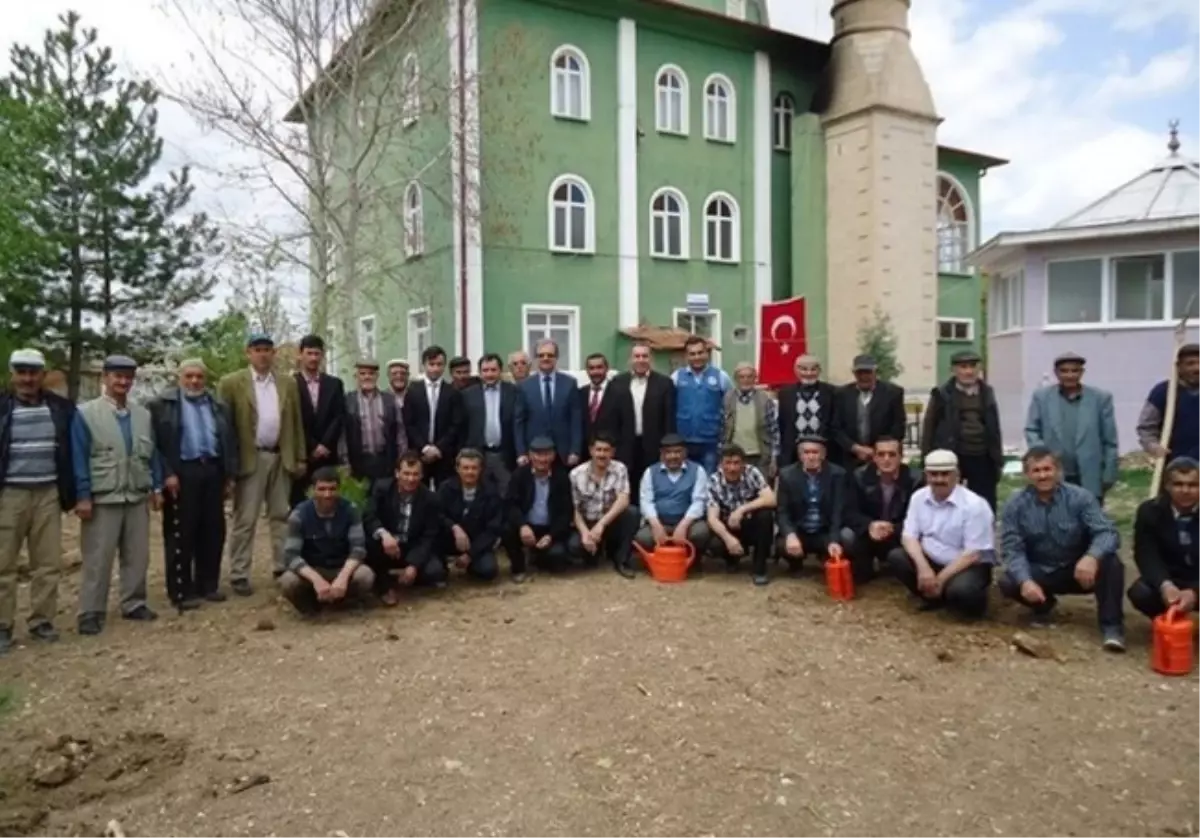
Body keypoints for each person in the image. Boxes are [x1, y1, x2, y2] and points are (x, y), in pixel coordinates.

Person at [998, 447, 1125, 650]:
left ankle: (1112, 628)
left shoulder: (1081, 497)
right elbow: (1012, 548)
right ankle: (1043, 605)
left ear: (1057, 471)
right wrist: (1026, 581)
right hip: (1042, 569)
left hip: (1078, 570)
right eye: (1036, 471)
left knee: (1112, 563)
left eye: (1047, 469)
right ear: (1027, 475)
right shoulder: (1015, 504)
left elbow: (1108, 532)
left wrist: (1092, 557)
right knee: (1008, 580)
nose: (1042, 475)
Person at [72, 356, 164, 635]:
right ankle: (91, 610)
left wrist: (156, 486)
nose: (123, 382)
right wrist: (83, 495)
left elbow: (153, 454)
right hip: (103, 496)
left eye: (128, 377)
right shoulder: (85, 414)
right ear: (105, 378)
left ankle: (134, 602)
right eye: (117, 376)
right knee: (98, 556)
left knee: (138, 555)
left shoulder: (142, 415)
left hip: (135, 494)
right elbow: (79, 457)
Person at [218, 332, 307, 596]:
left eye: (267, 349)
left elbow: (296, 422)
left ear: (274, 353)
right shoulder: (232, 383)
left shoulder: (287, 384)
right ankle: (239, 573)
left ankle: (282, 566)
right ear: (248, 353)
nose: (263, 354)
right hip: (250, 457)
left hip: (281, 456)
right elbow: (224, 427)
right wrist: (229, 466)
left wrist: (299, 455)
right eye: (257, 349)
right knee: (245, 518)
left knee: (281, 515)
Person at [0, 349, 76, 652]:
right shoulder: (2, 407)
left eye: (33, 372)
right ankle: (3, 626)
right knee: (3, 563)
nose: (27, 379)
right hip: (10, 493)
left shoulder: (61, 408)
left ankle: (41, 620)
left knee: (47, 563)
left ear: (43, 375)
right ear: (12, 375)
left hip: (48, 492)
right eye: (21, 372)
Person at [148, 359, 238, 609]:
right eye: (189, 376)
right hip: (180, 473)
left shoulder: (218, 405)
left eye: (199, 376)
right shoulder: (162, 405)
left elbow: (229, 440)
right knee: (181, 532)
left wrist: (229, 475)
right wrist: (165, 473)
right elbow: (154, 444)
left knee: (213, 530)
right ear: (180, 377)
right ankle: (181, 590)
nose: (194, 381)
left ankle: (207, 584)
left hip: (212, 469)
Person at [893, 449, 995, 618]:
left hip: (965, 566)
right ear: (926, 475)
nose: (939, 479)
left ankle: (961, 600)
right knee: (897, 557)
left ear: (957, 475)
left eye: (945, 474)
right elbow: (908, 536)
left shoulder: (975, 505)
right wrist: (923, 569)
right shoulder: (918, 497)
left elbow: (973, 554)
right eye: (934, 474)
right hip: (931, 560)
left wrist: (940, 580)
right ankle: (932, 597)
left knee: (962, 591)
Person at [278, 467, 373, 615]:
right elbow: (291, 555)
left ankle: (341, 602)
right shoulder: (299, 515)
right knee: (288, 581)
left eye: (332, 489)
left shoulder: (351, 510)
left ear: (339, 490)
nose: (327, 494)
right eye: (321, 489)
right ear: (313, 490)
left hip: (340, 567)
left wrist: (342, 577)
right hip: (312, 568)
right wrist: (316, 579)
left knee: (365, 576)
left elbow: (358, 550)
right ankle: (311, 606)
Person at [1024, 351, 1118, 501]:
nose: (1069, 375)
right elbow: (1032, 429)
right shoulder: (1042, 398)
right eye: (1064, 371)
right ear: (1056, 373)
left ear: (1082, 372)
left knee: (1089, 520)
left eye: (1074, 371)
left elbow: (1110, 440)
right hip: (1054, 475)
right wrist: (1043, 457)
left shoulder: (1100, 399)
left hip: (1090, 475)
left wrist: (1109, 473)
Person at [920, 349, 1003, 511]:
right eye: (963, 367)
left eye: (972, 366)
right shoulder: (942, 394)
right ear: (954, 370)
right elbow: (929, 428)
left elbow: (995, 427)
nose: (968, 371)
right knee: (950, 501)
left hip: (982, 456)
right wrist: (926, 459)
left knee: (984, 503)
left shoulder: (987, 392)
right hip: (953, 454)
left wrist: (997, 458)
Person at [364, 453, 444, 604]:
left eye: (415, 474)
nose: (411, 479)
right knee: (369, 545)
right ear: (397, 473)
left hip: (411, 545)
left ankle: (406, 576)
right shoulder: (382, 488)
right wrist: (384, 534)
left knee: (435, 571)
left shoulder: (430, 499)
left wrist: (414, 564)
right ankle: (385, 586)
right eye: (406, 473)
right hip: (387, 544)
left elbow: (429, 535)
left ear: (421, 475)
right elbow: (369, 516)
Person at [1128, 456, 1200, 619]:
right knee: (1141, 592)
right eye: (1178, 484)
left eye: (1193, 485)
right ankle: (1171, 621)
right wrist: (1164, 585)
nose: (1185, 490)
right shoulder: (1150, 511)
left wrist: (1195, 591)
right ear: (1167, 486)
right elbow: (1146, 554)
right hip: (1172, 577)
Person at [842, 437, 921, 584]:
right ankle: (865, 566)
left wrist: (894, 528)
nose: (886, 459)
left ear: (901, 457)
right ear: (874, 457)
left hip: (900, 532)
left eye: (892, 455)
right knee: (847, 535)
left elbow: (920, 518)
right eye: (881, 454)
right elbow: (849, 512)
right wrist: (870, 525)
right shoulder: (859, 476)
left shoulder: (915, 479)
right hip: (870, 532)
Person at [607, 342, 675, 496]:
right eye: (637, 356)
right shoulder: (617, 383)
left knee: (651, 485)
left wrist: (667, 447)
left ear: (651, 359)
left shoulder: (664, 383)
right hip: (625, 446)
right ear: (630, 359)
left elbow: (668, 419)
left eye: (645, 356)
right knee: (626, 487)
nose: (641, 360)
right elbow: (610, 418)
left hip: (653, 445)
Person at [568, 432, 640, 577]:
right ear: (591, 451)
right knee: (574, 546)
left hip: (608, 521)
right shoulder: (576, 474)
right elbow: (573, 509)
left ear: (613, 452)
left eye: (606, 450)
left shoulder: (620, 469)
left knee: (632, 513)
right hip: (586, 523)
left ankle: (622, 560)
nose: (602, 454)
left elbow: (623, 499)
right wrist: (585, 533)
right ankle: (593, 553)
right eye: (598, 450)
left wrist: (601, 524)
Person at [502, 435, 572, 580]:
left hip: (549, 529)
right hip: (527, 526)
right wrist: (522, 525)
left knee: (558, 559)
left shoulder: (561, 477)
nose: (542, 459)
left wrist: (552, 535)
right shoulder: (520, 475)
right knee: (506, 529)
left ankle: (538, 557)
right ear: (530, 455)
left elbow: (565, 513)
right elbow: (510, 505)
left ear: (553, 456)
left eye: (546, 454)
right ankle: (518, 567)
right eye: (538, 454)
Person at [775, 435, 848, 573]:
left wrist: (834, 539)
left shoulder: (838, 474)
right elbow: (782, 511)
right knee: (781, 544)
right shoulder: (786, 475)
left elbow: (838, 511)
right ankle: (795, 564)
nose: (811, 457)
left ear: (823, 455)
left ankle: (826, 559)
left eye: (815, 452)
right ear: (800, 455)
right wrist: (790, 534)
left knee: (846, 539)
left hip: (824, 531)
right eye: (806, 452)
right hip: (800, 530)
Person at [706, 444, 776, 585]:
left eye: (737, 463)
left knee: (766, 515)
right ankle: (731, 560)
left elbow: (771, 499)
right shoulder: (713, 481)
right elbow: (712, 518)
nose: (732, 468)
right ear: (721, 464)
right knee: (714, 543)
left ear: (744, 464)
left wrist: (741, 510)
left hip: (749, 522)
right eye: (728, 463)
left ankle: (759, 569)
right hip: (728, 526)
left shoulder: (752, 472)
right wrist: (728, 539)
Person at [635, 433, 710, 563]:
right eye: (668, 452)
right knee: (643, 537)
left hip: (687, 522)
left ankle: (693, 561)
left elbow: (699, 502)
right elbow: (646, 502)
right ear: (661, 454)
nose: (673, 456)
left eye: (677, 452)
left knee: (701, 532)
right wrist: (656, 525)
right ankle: (660, 560)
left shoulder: (698, 471)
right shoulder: (650, 472)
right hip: (660, 522)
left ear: (685, 453)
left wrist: (683, 526)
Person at [291, 334, 346, 506]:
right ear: (300, 355)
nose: (313, 358)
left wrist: (325, 444)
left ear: (322, 356)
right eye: (309, 353)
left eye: (317, 354)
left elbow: (339, 416)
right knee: (300, 503)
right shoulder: (291, 384)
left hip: (328, 455)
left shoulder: (334, 384)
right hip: (303, 456)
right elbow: (293, 420)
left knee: (329, 501)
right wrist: (313, 446)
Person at [436, 448, 504, 582]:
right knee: (436, 573)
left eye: (474, 468)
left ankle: (471, 566)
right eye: (465, 468)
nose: (470, 472)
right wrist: (454, 527)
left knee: (488, 570)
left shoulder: (491, 491)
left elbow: (493, 529)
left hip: (476, 542)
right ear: (457, 468)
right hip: (449, 538)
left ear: (481, 469)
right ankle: (440, 565)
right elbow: (437, 515)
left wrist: (470, 554)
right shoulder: (445, 488)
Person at [514, 339, 582, 467]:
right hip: (534, 452)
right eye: (541, 355)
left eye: (550, 355)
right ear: (535, 359)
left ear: (556, 358)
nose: (545, 358)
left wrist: (575, 450)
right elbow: (519, 422)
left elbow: (575, 420)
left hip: (563, 453)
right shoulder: (525, 386)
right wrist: (521, 452)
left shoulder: (570, 383)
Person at [404, 345, 465, 487]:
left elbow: (456, 424)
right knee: (419, 492)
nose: (435, 368)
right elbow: (409, 423)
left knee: (444, 493)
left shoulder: (452, 392)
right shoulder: (413, 391)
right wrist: (424, 447)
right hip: (419, 453)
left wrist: (439, 448)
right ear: (424, 365)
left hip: (444, 454)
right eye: (431, 364)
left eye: (439, 364)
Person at [833, 354, 906, 470]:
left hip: (882, 457)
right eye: (859, 373)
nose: (864, 376)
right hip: (849, 458)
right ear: (854, 373)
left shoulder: (893, 393)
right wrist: (855, 448)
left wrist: (878, 450)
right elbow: (836, 428)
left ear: (875, 372)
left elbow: (898, 426)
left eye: (868, 372)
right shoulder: (841, 394)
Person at [670, 335, 730, 475]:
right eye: (692, 354)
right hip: (684, 441)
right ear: (686, 356)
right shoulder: (676, 377)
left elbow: (729, 408)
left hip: (711, 442)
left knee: (709, 479)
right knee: (685, 479)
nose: (697, 357)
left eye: (700, 353)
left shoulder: (721, 377)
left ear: (707, 353)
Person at [461, 353, 518, 495]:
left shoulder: (513, 392)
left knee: (506, 493)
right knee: (480, 494)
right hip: (478, 454)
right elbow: (463, 426)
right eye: (485, 370)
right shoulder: (467, 395)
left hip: (505, 454)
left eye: (493, 370)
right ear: (480, 373)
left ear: (500, 370)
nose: (489, 374)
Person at [344, 359, 404, 490]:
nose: (367, 377)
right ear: (356, 377)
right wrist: (345, 461)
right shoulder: (347, 400)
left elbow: (400, 432)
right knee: (362, 502)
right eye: (363, 373)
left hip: (385, 460)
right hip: (358, 461)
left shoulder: (389, 399)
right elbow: (342, 435)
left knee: (385, 500)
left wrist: (402, 460)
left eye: (371, 373)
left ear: (377, 376)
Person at [1137, 343, 1200, 465]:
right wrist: (1154, 447)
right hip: (1175, 465)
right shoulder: (1163, 392)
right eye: (1190, 363)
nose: (1197, 368)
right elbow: (1146, 428)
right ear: (1179, 367)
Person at [777, 354, 839, 470]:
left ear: (819, 370)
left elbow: (835, 422)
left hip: (824, 451)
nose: (809, 373)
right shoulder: (785, 393)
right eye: (804, 369)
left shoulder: (832, 392)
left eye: (813, 369)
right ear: (796, 370)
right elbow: (782, 425)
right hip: (793, 452)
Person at [721, 363, 779, 480]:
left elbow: (774, 430)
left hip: (760, 456)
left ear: (755, 378)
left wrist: (774, 458)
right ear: (736, 379)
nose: (745, 380)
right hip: (734, 455)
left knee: (762, 491)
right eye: (741, 377)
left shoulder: (765, 399)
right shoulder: (727, 398)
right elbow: (721, 428)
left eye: (749, 377)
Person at [578, 353, 616, 461]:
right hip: (584, 456)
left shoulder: (620, 393)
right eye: (591, 368)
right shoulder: (580, 393)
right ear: (587, 371)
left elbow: (626, 428)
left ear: (607, 369)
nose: (595, 372)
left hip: (610, 456)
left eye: (599, 367)